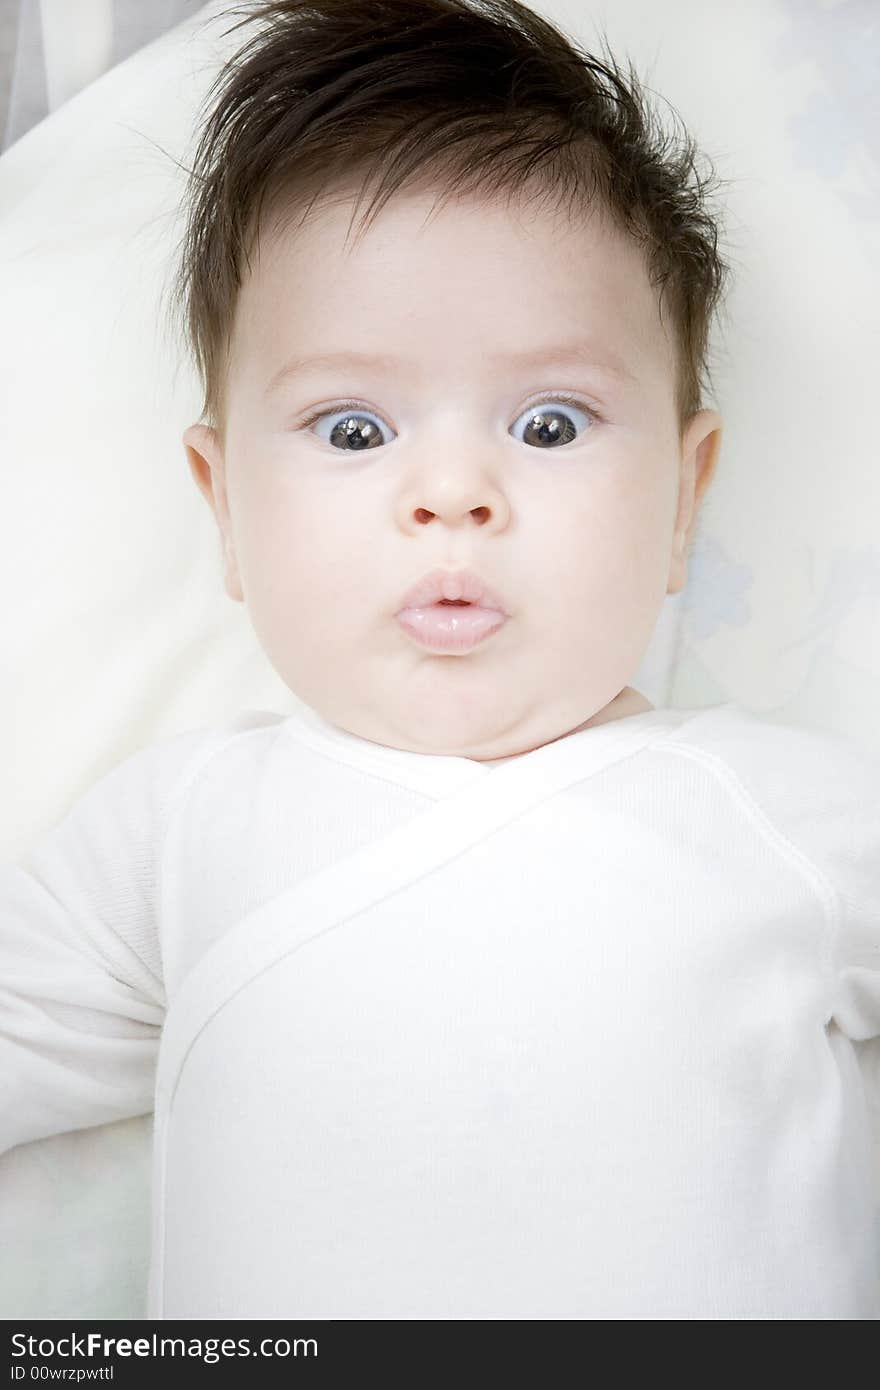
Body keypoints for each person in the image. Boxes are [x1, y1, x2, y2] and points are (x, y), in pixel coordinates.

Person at [3, 0, 878, 1318]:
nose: (454, 490)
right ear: (224, 503)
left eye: (548, 420)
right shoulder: (175, 833)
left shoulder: (787, 818)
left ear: (684, 496)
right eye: (353, 430)